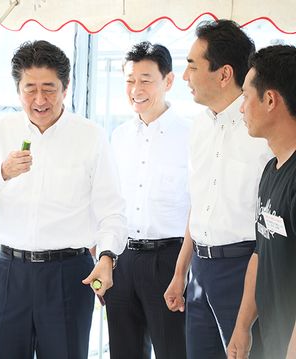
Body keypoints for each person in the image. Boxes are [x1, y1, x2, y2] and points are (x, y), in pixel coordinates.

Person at [0, 40, 127, 359]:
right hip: (10, 271)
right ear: (18, 89)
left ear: (66, 87)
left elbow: (112, 209)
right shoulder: (0, 130)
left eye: (49, 88)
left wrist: (106, 257)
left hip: (68, 273)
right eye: (30, 89)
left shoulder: (90, 135)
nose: (39, 99)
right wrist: (2, 173)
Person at [163, 19, 272, 358]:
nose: (184, 77)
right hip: (201, 269)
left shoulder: (263, 129)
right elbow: (200, 204)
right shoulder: (198, 127)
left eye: (192, 67)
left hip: (245, 269)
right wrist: (180, 272)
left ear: (224, 74)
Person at [105, 41, 189, 359]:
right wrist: (106, 260)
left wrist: (182, 272)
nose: (135, 89)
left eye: (145, 79)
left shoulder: (190, 135)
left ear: (168, 81)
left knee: (174, 351)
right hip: (122, 260)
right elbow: (109, 204)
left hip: (169, 261)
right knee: (123, 352)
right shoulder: (118, 136)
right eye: (129, 80)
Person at [227, 45, 296, 359]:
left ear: (270, 100)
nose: (241, 108)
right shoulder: (271, 168)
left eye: (244, 96)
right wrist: (243, 326)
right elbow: (261, 250)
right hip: (269, 337)